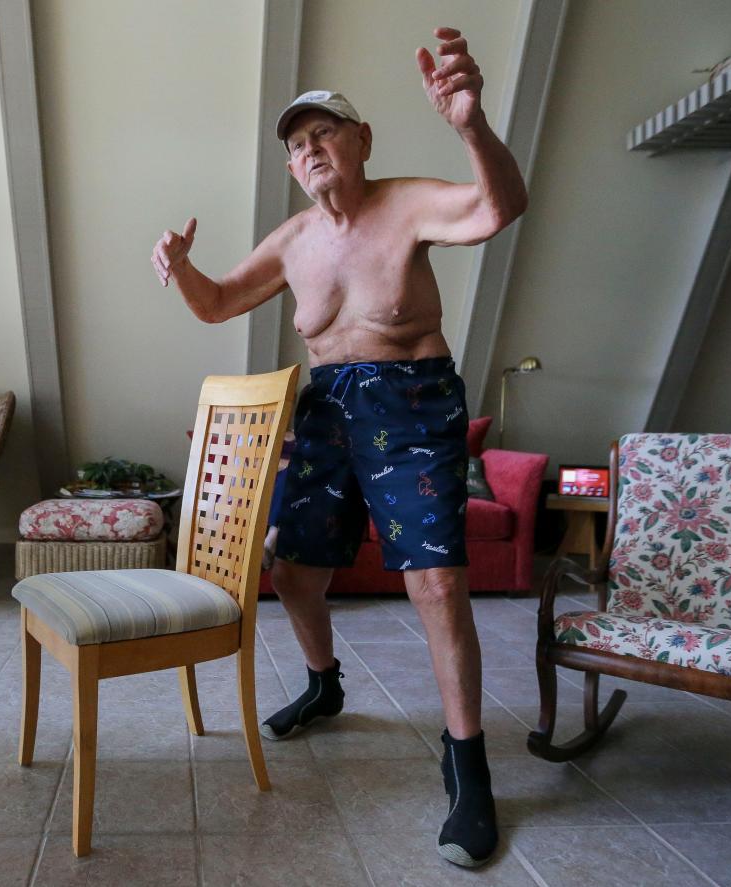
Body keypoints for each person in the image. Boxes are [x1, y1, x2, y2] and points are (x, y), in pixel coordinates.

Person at [150, 27, 526, 868]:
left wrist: (470, 126)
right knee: (293, 570)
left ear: (361, 143)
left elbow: (499, 207)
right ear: (291, 167)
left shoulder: (411, 200)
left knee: (434, 581)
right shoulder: (292, 242)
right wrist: (181, 267)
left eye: (324, 133)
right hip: (327, 405)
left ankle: (466, 761)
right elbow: (216, 305)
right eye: (297, 143)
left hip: (413, 399)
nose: (311, 149)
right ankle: (325, 683)